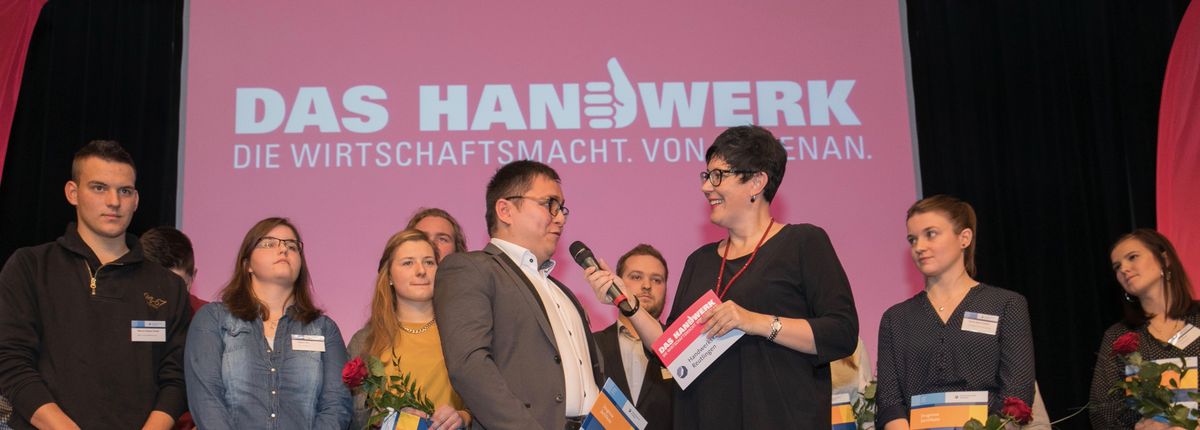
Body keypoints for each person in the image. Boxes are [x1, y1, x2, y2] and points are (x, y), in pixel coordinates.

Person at [585, 125, 859, 429]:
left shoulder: (803, 243)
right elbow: (670, 351)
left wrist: (754, 321)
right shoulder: (699, 261)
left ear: (756, 182)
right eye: (706, 176)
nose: (706, 187)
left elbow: (841, 333)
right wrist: (627, 301)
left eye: (718, 175)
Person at [0, 140, 190, 429]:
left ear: (136, 200)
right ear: (72, 193)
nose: (114, 201)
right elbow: (10, 362)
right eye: (99, 188)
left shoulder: (168, 286)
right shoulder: (30, 267)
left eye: (124, 191)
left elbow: (176, 379)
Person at [435, 160, 603, 430]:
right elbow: (470, 366)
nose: (560, 218)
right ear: (505, 210)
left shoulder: (562, 292)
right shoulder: (471, 269)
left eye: (561, 208)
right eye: (550, 204)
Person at [875, 195, 1035, 429]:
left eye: (931, 234)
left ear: (964, 238)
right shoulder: (895, 319)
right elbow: (890, 401)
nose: (919, 247)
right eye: (912, 239)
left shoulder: (1006, 305)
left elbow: (1017, 392)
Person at [184, 217, 351, 429]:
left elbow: (336, 407)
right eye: (269, 243)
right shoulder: (213, 319)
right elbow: (207, 402)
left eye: (292, 246)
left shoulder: (324, 329)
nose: (283, 249)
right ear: (247, 265)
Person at [347, 229, 470, 430]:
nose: (421, 271)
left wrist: (463, 417)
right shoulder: (365, 340)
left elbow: (487, 401)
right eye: (408, 263)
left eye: (429, 262)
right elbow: (354, 416)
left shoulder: (464, 334)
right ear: (389, 276)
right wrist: (391, 419)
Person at [1090, 228, 1197, 430]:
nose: (1124, 269)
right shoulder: (1118, 335)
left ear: (1164, 259)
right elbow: (1102, 411)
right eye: (1117, 266)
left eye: (1132, 257)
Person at [592, 244, 674, 430]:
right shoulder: (592, 344)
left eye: (657, 280)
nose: (647, 286)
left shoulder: (682, 349)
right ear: (618, 284)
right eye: (636, 277)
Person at [141, 226, 208, 312]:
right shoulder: (125, 311)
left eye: (176, 288)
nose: (166, 300)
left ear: (192, 278)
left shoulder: (210, 317)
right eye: (156, 288)